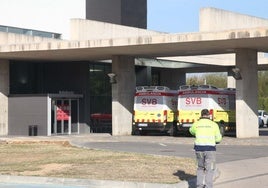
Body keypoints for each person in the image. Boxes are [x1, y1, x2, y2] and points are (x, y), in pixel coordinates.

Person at [189, 109, 222, 188]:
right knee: (209, 169)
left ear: (201, 115)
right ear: (209, 115)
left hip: (199, 149)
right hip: (210, 149)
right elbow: (218, 139)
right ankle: (208, 186)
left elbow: (191, 131)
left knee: (200, 168)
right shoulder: (214, 124)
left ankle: (199, 186)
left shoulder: (196, 124)